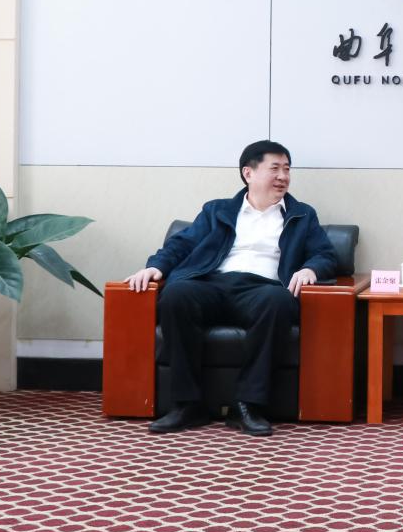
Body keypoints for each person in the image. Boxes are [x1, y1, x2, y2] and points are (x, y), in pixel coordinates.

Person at [125, 140, 337, 436]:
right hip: (212, 283)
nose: (283, 176)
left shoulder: (301, 215)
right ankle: (187, 404)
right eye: (275, 168)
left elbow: (326, 255)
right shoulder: (217, 210)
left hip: (263, 289)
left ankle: (247, 405)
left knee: (278, 301)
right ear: (248, 173)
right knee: (176, 295)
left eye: (287, 169)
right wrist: (156, 267)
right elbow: (182, 244)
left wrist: (309, 268)